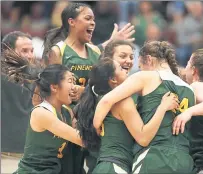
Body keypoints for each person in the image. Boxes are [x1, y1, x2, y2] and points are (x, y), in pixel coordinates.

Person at [40, 3, 135, 173]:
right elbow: (49, 87)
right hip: (66, 120)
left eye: (94, 19)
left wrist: (84, 91)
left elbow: (100, 85)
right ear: (72, 22)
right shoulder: (58, 51)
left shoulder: (95, 52)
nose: (93, 23)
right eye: (88, 18)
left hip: (91, 119)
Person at [93, 41, 196, 173]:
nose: (140, 70)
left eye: (140, 66)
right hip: (183, 160)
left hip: (154, 157)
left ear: (148, 59)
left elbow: (106, 101)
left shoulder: (145, 77)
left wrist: (96, 125)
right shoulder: (190, 90)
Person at [74, 58, 179, 173]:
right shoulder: (122, 101)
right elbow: (143, 138)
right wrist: (163, 107)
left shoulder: (99, 101)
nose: (126, 70)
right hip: (115, 167)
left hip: (106, 166)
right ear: (113, 79)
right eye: (120, 68)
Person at [1, 48, 83, 174]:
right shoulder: (42, 113)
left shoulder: (66, 111)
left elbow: (82, 132)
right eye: (70, 81)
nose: (74, 86)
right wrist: (91, 92)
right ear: (54, 87)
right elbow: (82, 139)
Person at [1, 31, 35, 158]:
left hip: (30, 154)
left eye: (32, 51)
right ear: (7, 52)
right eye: (24, 51)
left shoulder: (36, 75)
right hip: (4, 155)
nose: (30, 55)